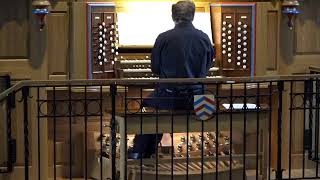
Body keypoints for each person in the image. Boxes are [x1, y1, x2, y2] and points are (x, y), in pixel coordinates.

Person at [128, 0, 215, 159]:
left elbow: (155, 69)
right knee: (156, 107)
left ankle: (140, 153)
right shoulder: (204, 38)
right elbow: (207, 67)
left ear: (173, 17)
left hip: (170, 97)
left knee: (147, 105)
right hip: (199, 100)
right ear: (193, 16)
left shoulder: (164, 38)